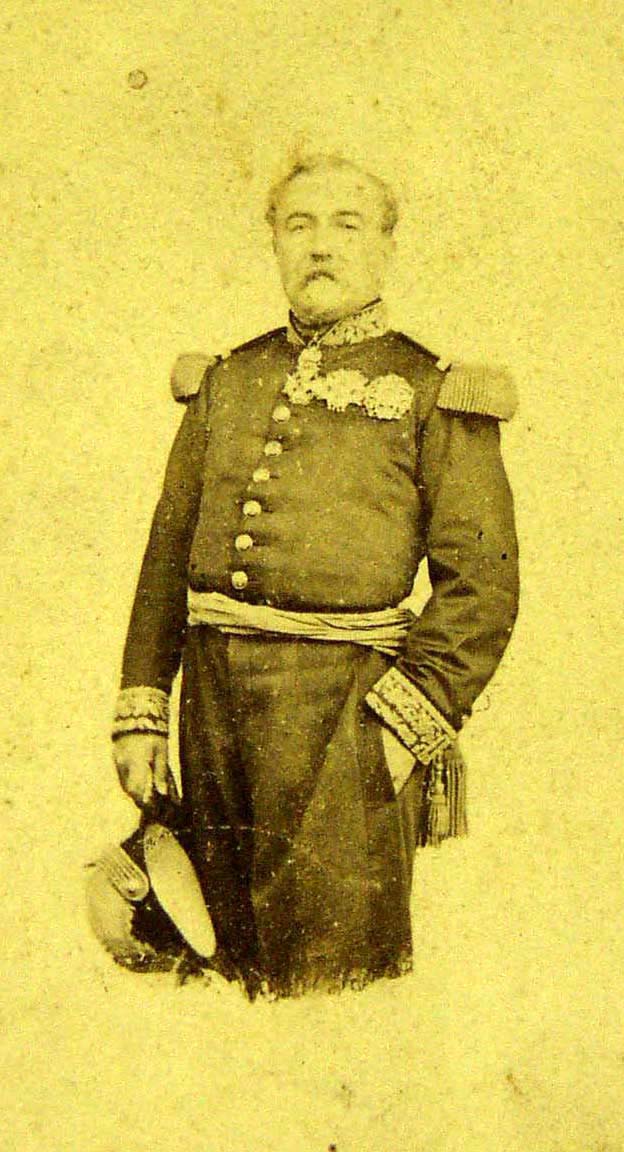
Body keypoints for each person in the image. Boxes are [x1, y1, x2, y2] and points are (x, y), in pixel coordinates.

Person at [95, 154, 519, 997]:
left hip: (344, 721)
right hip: (211, 717)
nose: (320, 245)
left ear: (386, 245)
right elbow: (166, 558)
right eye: (300, 225)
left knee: (332, 983)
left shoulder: (435, 391)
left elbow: (483, 589)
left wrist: (395, 733)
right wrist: (142, 713)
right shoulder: (227, 378)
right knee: (219, 970)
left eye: (346, 225)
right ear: (276, 243)